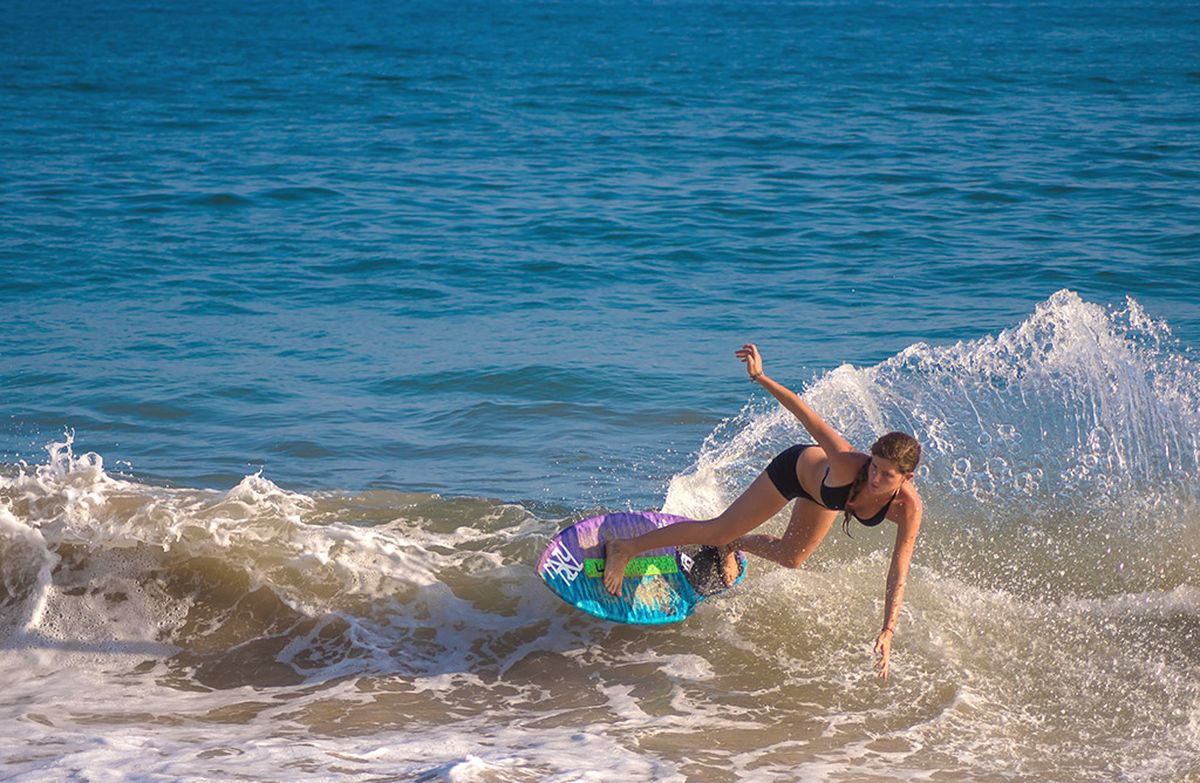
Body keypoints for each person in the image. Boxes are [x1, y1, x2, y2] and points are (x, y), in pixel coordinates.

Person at [602, 344, 923, 678]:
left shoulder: (909, 509)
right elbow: (805, 414)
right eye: (874, 467)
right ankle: (627, 547)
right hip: (794, 472)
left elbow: (898, 569)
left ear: (906, 478)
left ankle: (733, 546)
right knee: (718, 528)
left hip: (825, 498)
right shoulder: (846, 462)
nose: (875, 477)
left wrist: (888, 630)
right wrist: (760, 377)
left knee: (791, 557)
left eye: (887, 475)